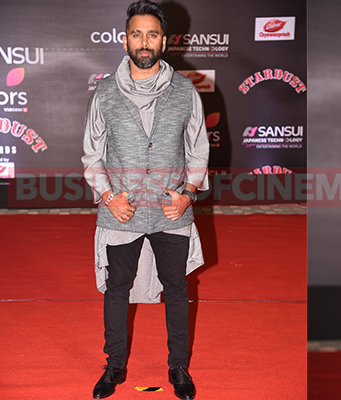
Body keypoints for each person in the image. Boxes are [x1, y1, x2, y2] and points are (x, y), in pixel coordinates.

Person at [82, 1, 209, 399]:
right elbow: (91, 154)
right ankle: (114, 365)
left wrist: (188, 195)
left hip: (172, 211)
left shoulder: (185, 90)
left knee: (177, 289)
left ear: (164, 42)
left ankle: (178, 367)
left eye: (152, 34)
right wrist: (108, 198)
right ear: (125, 39)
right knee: (116, 289)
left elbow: (198, 149)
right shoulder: (104, 91)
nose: (144, 42)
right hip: (121, 212)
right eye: (136, 34)